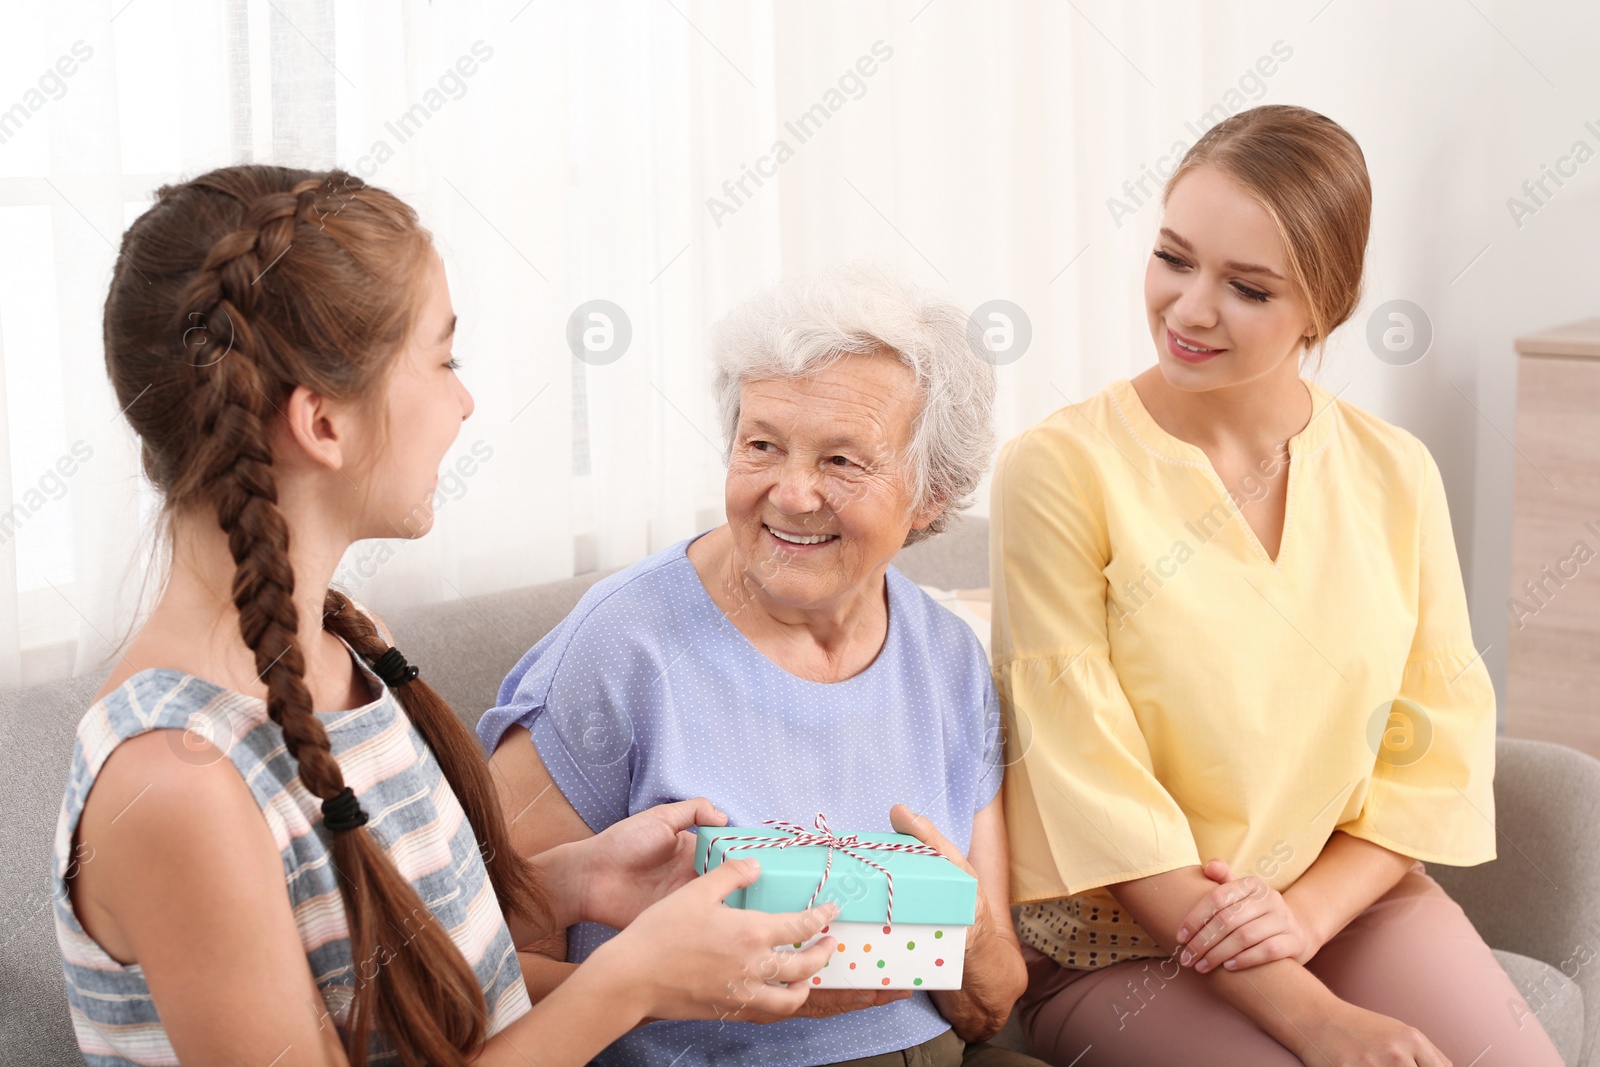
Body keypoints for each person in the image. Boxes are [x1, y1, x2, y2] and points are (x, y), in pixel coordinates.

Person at [53, 164, 840, 1067]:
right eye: (443, 358)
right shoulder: (180, 783)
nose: (464, 401)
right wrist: (633, 982)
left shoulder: (350, 646)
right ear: (322, 424)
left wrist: (565, 889)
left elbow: (387, 979)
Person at [991, 105, 1565, 1066]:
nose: (1189, 309)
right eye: (1174, 259)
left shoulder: (1396, 471)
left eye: (1247, 288)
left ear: (1325, 307)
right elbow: (1086, 776)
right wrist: (1317, 1015)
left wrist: (1302, 916)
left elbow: (1436, 742)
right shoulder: (1058, 468)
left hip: (1343, 897)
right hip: (1133, 938)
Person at [478, 262, 1044, 1066]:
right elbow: (469, 967)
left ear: (932, 496)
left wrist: (961, 930)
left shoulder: (947, 656)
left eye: (843, 461)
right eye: (762, 445)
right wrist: (680, 983)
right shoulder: (622, 647)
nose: (791, 492)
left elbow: (994, 1001)